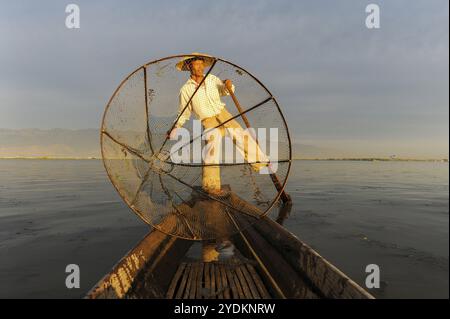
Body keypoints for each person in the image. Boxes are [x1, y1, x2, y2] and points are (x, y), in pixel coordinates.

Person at [169, 53, 270, 197]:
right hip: (208, 119)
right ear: (189, 66)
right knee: (211, 149)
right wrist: (176, 127)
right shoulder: (186, 89)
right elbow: (184, 112)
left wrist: (229, 85)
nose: (200, 67)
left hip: (222, 113)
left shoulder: (211, 79)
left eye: (201, 64)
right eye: (196, 64)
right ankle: (211, 186)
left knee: (241, 136)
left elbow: (225, 91)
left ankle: (262, 162)